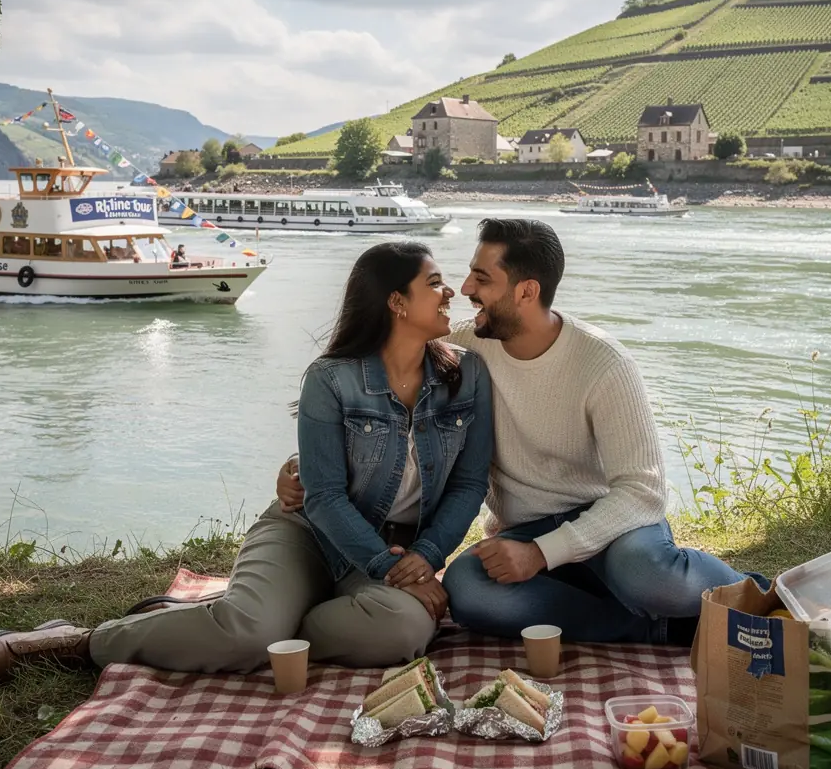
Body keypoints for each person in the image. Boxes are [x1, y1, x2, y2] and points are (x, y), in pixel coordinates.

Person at [0, 241, 493, 687]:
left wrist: (425, 556)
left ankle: (243, 620)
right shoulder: (331, 378)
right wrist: (388, 570)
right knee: (253, 631)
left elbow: (470, 483)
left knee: (402, 632)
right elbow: (325, 496)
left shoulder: (467, 375)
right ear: (396, 302)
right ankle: (78, 641)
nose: (450, 292)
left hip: (399, 550)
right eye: (435, 283)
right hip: (310, 532)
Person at [277, 218, 767, 647]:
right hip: (523, 530)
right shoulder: (466, 348)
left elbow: (642, 492)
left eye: (482, 278)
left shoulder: (603, 363)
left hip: (613, 528)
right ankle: (648, 630)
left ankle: (763, 598)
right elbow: (373, 380)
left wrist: (542, 554)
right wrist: (302, 466)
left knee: (644, 572)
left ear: (526, 291)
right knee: (468, 591)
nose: (464, 288)